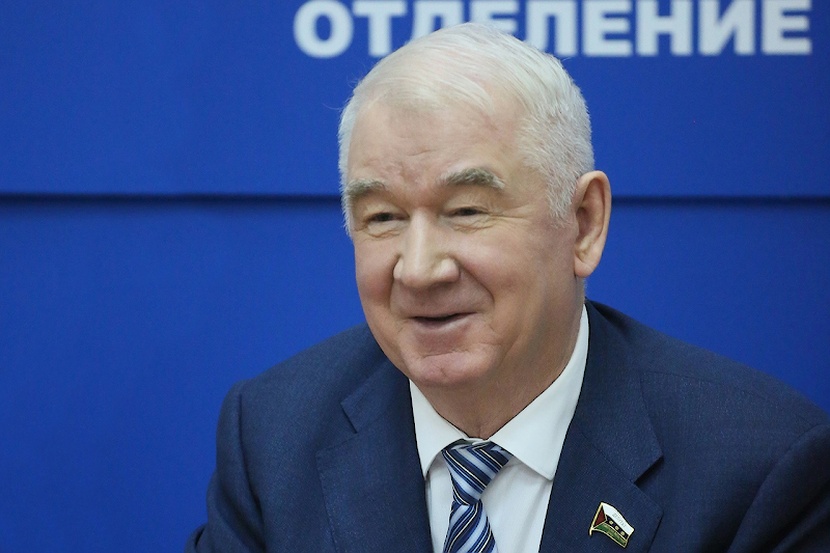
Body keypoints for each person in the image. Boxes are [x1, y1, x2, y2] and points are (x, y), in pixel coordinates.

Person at [186, 23, 830, 552]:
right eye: (382, 218)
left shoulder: (756, 467)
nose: (419, 269)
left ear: (583, 224)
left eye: (467, 211)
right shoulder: (273, 438)